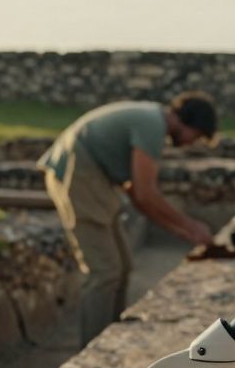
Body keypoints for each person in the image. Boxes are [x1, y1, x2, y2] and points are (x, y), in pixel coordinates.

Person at [39, 92, 218, 346]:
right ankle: (93, 348)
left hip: (93, 177)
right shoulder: (152, 127)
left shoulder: (152, 119)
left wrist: (184, 231)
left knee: (122, 265)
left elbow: (139, 196)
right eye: (197, 136)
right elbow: (146, 194)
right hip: (79, 173)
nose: (192, 143)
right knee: (104, 271)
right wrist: (191, 226)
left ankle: (111, 333)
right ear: (187, 123)